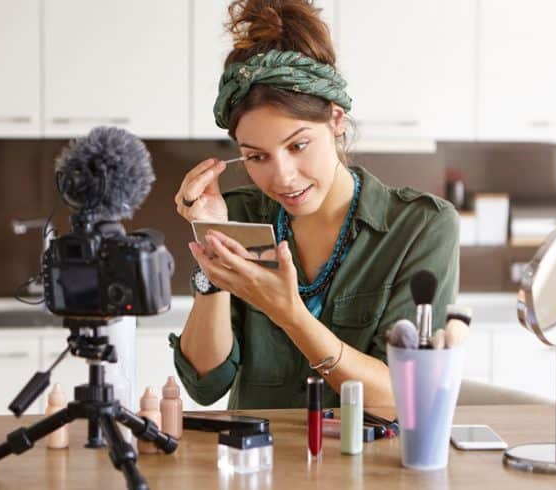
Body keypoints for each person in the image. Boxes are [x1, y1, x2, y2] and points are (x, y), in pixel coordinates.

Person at [170, 0, 459, 409]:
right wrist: (212, 254)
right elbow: (205, 384)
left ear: (336, 120)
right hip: (256, 463)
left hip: (370, 469)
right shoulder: (241, 215)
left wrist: (290, 314)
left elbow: (404, 395)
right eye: (257, 157)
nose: (283, 177)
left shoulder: (420, 227)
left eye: (298, 145)